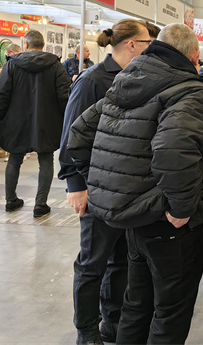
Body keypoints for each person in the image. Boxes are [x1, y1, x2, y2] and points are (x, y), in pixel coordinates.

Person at [67, 24, 203, 344]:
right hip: (167, 219)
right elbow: (172, 150)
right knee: (170, 312)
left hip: (135, 220)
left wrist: (103, 182)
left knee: (137, 304)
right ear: (194, 56)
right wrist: (180, 208)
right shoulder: (190, 89)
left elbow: (78, 134)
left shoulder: (126, 78)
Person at [58, 19, 155, 345]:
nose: (151, 48)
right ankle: (86, 331)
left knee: (120, 261)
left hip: (126, 193)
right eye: (147, 42)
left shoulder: (137, 79)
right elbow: (70, 135)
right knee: (92, 264)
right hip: (96, 189)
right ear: (131, 44)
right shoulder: (92, 81)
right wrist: (75, 185)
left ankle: (111, 322)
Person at [0, 30, 70, 216]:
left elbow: (1, 95)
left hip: (16, 121)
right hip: (47, 122)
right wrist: (66, 121)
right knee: (46, 159)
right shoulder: (56, 66)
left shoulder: (11, 65)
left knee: (15, 159)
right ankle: (40, 204)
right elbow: (65, 97)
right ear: (43, 45)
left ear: (26, 45)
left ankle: (11, 200)